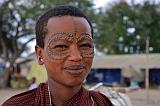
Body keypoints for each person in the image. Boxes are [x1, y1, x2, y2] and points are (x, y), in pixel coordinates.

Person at [3, 5, 113, 106]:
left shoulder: (101, 103)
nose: (76, 57)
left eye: (85, 45)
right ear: (40, 54)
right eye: (61, 46)